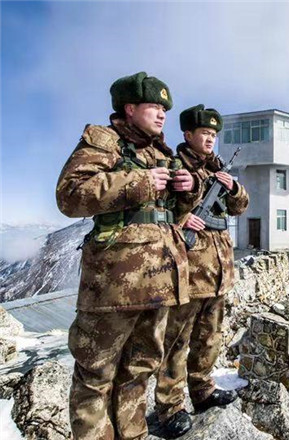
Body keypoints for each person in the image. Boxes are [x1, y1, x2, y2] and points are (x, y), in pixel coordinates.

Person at [55, 72, 202, 440]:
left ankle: (133, 433)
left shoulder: (162, 155)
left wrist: (188, 189)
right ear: (130, 108)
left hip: (160, 280)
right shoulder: (104, 142)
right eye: (154, 106)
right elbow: (69, 195)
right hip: (114, 285)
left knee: (141, 367)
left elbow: (172, 216)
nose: (163, 114)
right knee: (96, 373)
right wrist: (138, 182)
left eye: (165, 109)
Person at [154, 104, 249, 438]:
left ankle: (203, 391)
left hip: (219, 269)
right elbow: (156, 209)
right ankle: (170, 407)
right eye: (204, 133)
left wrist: (233, 187)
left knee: (210, 337)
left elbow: (239, 207)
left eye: (213, 135)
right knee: (176, 341)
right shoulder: (173, 166)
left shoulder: (217, 167)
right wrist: (181, 219)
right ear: (188, 134)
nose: (210, 139)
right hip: (188, 269)